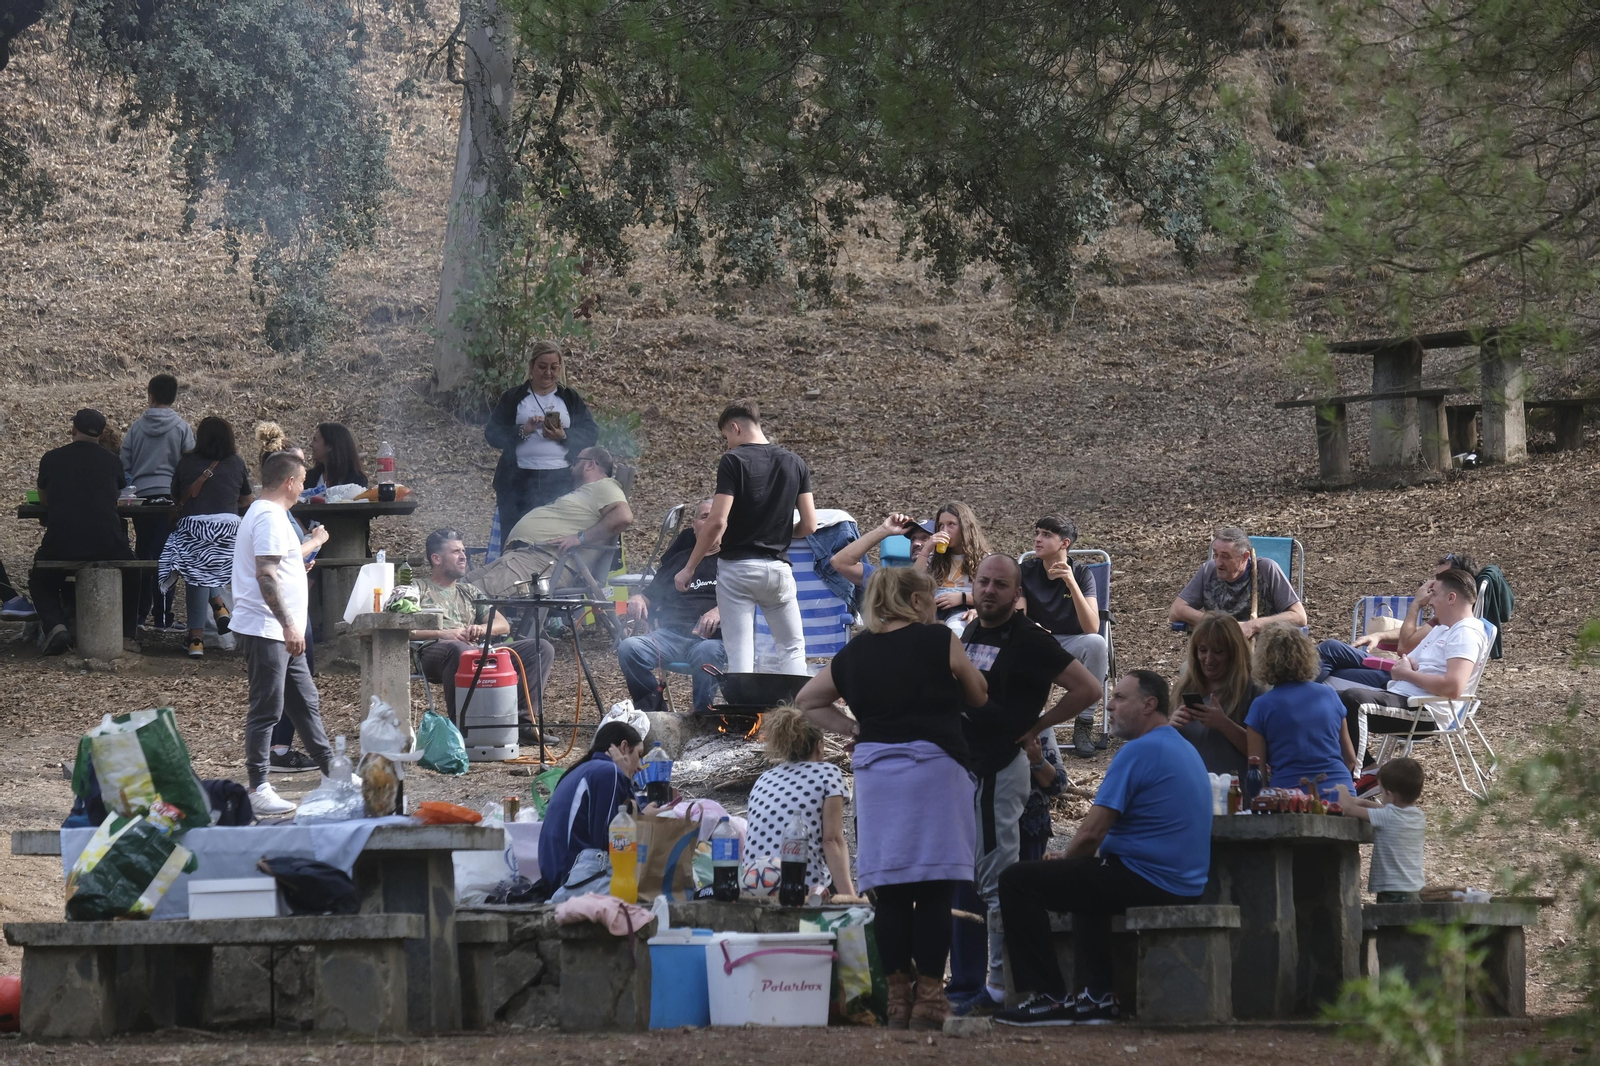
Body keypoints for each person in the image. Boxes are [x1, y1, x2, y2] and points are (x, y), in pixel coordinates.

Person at [794, 567, 988, 1030]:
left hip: (879, 776)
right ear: (918, 600)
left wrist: (854, 727)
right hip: (937, 770)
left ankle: (897, 999)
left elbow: (807, 700)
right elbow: (978, 696)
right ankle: (930, 996)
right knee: (937, 887)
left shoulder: (856, 651)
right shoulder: (939, 639)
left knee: (892, 889)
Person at [995, 671, 1211, 1027]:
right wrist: (1072, 861)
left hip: (1151, 879)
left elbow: (1093, 831)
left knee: (1017, 881)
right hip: (1181, 883)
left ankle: (1048, 998)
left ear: (1149, 704)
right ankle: (1096, 996)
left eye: (1120, 698)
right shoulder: (1179, 746)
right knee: (1088, 880)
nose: (1109, 705)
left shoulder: (1141, 750)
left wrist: (1068, 857)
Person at [953, 554, 1101, 1016]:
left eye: (1001, 585)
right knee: (971, 878)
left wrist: (1039, 725)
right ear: (973, 586)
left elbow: (1088, 689)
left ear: (1017, 594)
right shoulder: (972, 631)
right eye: (983, 583)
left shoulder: (1030, 638)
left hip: (1002, 766)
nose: (990, 591)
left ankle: (1000, 986)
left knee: (998, 878)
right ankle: (974, 979)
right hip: (966, 768)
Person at [676, 400, 816, 675]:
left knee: (740, 651)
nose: (727, 444)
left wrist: (689, 567)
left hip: (738, 570)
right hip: (779, 571)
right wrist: (781, 534)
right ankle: (795, 714)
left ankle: (742, 713)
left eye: (726, 437)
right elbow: (810, 525)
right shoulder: (796, 463)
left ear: (735, 427)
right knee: (791, 647)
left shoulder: (733, 460)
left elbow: (717, 521)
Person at [232, 450, 333, 816]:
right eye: (303, 481)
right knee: (267, 708)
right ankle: (258, 785)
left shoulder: (269, 515)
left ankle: (332, 772)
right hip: (267, 628)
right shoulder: (271, 518)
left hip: (277, 629)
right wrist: (290, 624)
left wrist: (311, 547)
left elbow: (282, 564)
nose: (304, 488)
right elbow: (265, 574)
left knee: (304, 703)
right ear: (289, 482)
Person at [412, 528, 556, 746]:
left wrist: (480, 628)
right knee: (459, 650)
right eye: (455, 552)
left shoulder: (469, 591)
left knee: (541, 648)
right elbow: (403, 629)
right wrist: (445, 633)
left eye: (463, 551)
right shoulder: (417, 588)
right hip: (434, 651)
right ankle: (461, 729)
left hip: (476, 652)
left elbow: (501, 624)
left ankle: (524, 723)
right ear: (436, 558)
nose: (463, 556)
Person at [1337, 568, 1488, 758]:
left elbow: (1453, 687)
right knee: (1328, 701)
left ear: (1451, 598)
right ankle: (1368, 772)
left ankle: (1361, 775)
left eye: (1434, 595)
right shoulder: (1443, 628)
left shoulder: (1466, 633)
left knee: (1352, 701)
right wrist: (1406, 668)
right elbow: (1407, 657)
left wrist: (1407, 674)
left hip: (1425, 711)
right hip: (1404, 696)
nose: (1430, 602)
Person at [30, 409, 139, 656]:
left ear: (73, 430)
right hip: (108, 543)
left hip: (62, 542)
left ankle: (56, 627)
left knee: (40, 577)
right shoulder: (112, 461)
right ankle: (127, 635)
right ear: (101, 435)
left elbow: (44, 500)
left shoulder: (51, 459)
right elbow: (119, 493)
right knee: (133, 572)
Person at [465, 446, 634, 596]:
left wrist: (580, 538)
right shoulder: (586, 493)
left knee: (471, 596)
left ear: (591, 464)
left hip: (545, 563)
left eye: (576, 461)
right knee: (457, 588)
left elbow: (624, 517)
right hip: (524, 558)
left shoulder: (604, 486)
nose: (571, 465)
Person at [616, 498, 726, 715]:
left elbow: (749, 601)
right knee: (629, 648)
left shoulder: (733, 563)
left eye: (716, 517)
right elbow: (650, 596)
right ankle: (656, 715)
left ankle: (702, 717)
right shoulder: (679, 561)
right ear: (694, 525)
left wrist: (720, 610)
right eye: (705, 517)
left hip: (713, 640)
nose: (710, 522)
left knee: (707, 651)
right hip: (670, 636)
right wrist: (638, 598)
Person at [158, 416, 254, 659]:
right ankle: (219, 607)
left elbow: (176, 495)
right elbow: (246, 500)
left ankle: (196, 639)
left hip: (194, 529)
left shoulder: (187, 462)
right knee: (201, 564)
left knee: (194, 566)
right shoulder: (236, 462)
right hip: (229, 533)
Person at [484, 341, 600, 539]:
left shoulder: (569, 398)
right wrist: (523, 430)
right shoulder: (514, 397)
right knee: (516, 536)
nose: (548, 373)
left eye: (554, 367)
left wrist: (563, 435)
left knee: (555, 536)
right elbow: (492, 433)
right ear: (531, 367)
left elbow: (591, 433)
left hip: (561, 478)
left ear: (560, 368)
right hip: (517, 481)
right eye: (542, 367)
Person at [743, 708, 857, 899]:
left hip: (753, 882)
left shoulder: (764, 778)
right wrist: (850, 898)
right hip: (799, 887)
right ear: (819, 746)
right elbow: (832, 841)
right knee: (832, 890)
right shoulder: (828, 773)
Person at [1317, 551, 1479, 686]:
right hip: (1400, 670)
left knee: (1333, 671)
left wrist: (1416, 604)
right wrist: (1380, 635)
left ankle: (1297, 700)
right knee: (1331, 648)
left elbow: (1405, 647)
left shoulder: (1460, 628)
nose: (1432, 584)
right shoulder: (1445, 621)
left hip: (1403, 681)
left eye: (1440, 578)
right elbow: (1418, 633)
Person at [1244, 624, 1356, 799]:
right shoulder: (1330, 695)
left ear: (1264, 661)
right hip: (1340, 794)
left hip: (1289, 799)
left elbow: (1257, 774)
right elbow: (1350, 759)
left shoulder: (1261, 706)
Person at [122, 374, 195, 630]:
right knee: (167, 557)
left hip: (142, 500)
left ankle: (139, 617)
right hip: (171, 501)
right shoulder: (181, 428)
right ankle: (163, 618)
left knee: (144, 553)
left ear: (150, 396)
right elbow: (190, 465)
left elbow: (125, 464)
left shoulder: (136, 428)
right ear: (173, 397)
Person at [537, 720, 646, 890]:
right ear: (624, 747)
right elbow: (613, 840)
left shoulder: (586, 769)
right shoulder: (609, 772)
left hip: (557, 875)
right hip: (576, 880)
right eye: (639, 755)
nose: (640, 766)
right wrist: (624, 778)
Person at [1168, 526, 1306, 637]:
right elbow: (1177, 610)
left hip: (1260, 652)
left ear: (1245, 557)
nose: (1218, 562)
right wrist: (1220, 624)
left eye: (1225, 557)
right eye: (1215, 554)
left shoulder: (1266, 570)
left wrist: (1253, 625)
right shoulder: (1208, 570)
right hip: (1217, 652)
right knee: (1186, 669)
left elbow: (1299, 616)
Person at [1170, 611, 1261, 778]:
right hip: (1191, 786)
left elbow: (1262, 755)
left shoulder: (1253, 691)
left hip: (1234, 792)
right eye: (1203, 650)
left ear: (1234, 653)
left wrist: (1224, 724)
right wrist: (1169, 727)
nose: (1208, 659)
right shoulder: (1185, 687)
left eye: (1218, 651)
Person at [1334, 757, 1426, 902]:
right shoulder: (1418, 816)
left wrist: (1342, 789)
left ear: (1390, 794)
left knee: (1389, 923)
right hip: (1414, 888)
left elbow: (1349, 809)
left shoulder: (1387, 816)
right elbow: (1387, 810)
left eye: (1382, 791)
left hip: (1392, 890)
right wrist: (1362, 801)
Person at [822, 512, 933, 611]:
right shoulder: (893, 579)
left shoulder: (949, 580)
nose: (916, 543)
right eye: (913, 539)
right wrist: (883, 530)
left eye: (925, 538)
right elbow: (840, 562)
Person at [928, 501, 992, 632]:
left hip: (962, 609)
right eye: (941, 525)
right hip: (932, 609)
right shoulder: (933, 557)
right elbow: (911, 584)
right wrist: (926, 549)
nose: (944, 530)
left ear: (965, 527)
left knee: (955, 631)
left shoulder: (985, 559)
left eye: (951, 524)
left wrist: (962, 598)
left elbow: (993, 598)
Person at [1018, 729, 1068, 862]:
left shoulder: (1040, 724)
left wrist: (1037, 761)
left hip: (1029, 830)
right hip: (984, 823)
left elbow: (1060, 785)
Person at [303, 422, 368, 496]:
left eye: (315, 440)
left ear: (329, 446)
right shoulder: (309, 478)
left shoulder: (356, 480)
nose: (310, 444)